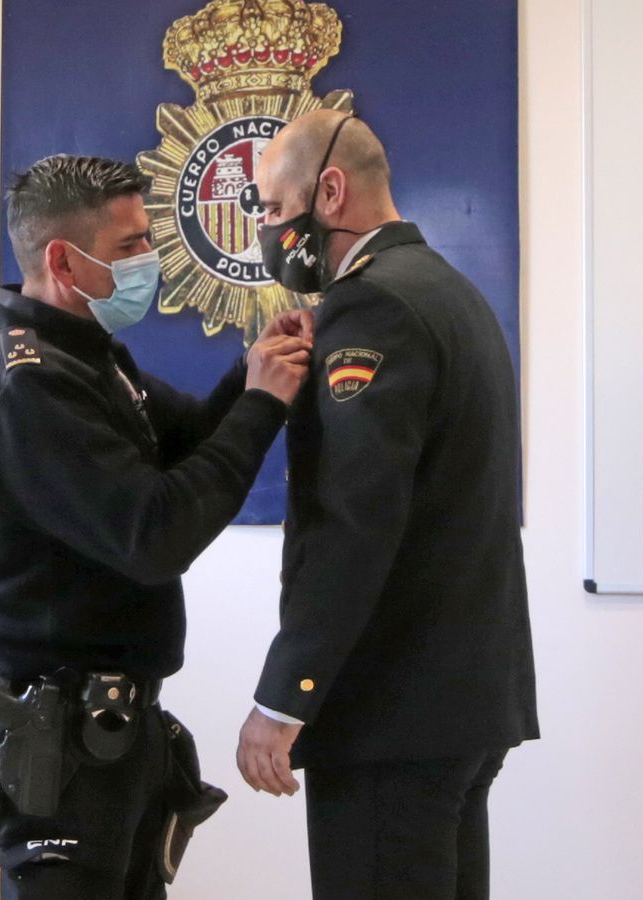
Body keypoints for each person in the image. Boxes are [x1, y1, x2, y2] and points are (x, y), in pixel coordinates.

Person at [0, 154, 313, 900]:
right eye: (130, 246)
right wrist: (264, 403)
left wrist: (254, 367)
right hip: (54, 742)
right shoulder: (26, 388)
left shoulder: (86, 355)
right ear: (64, 260)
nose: (152, 261)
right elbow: (155, 534)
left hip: (108, 731)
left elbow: (190, 439)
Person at [237, 111, 540, 899]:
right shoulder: (448, 293)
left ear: (329, 192)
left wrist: (284, 696)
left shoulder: (372, 310)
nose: (268, 231)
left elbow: (354, 523)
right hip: (460, 703)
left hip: (389, 716)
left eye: (271, 209)